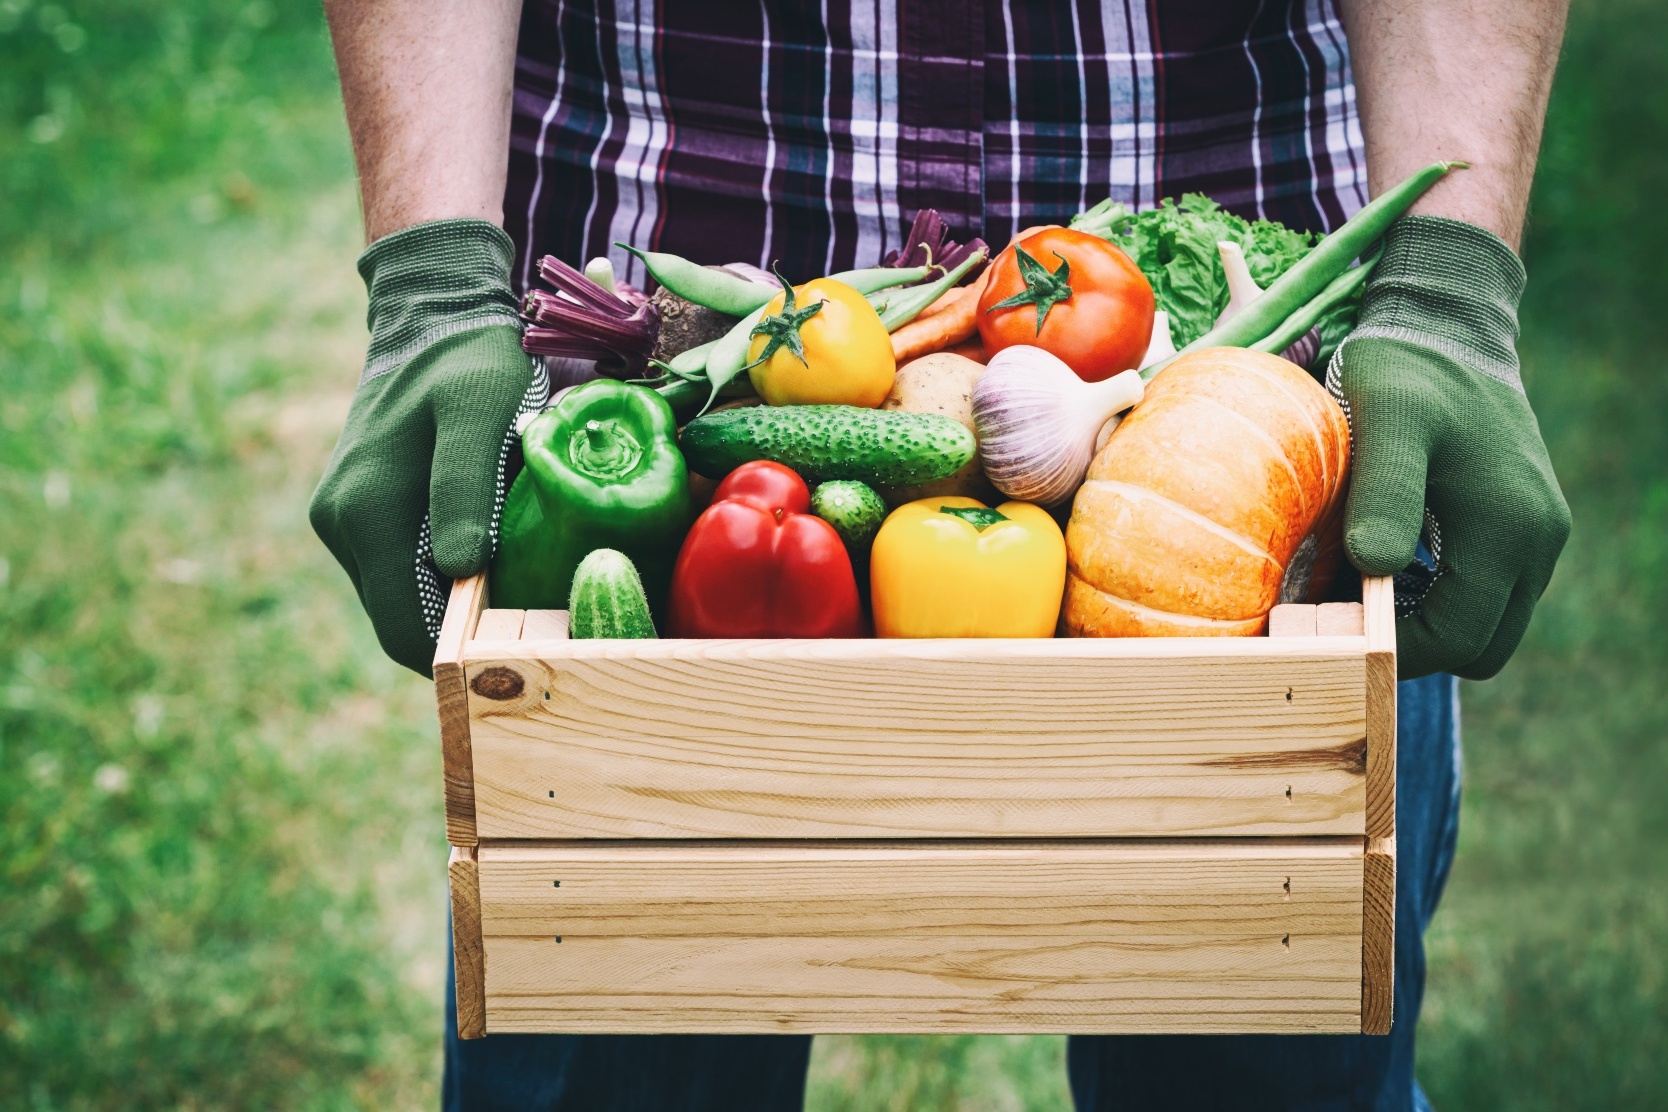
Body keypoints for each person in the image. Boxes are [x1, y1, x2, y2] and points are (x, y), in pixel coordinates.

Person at [308, 1, 1572, 1108]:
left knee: (1277, 1049)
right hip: (663, 339)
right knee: (606, 1057)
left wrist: (1448, 293)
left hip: (1255, 417)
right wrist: (432, 284)